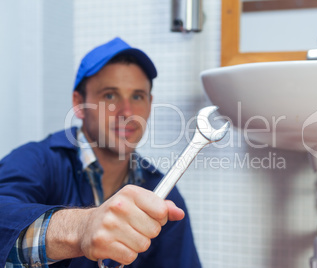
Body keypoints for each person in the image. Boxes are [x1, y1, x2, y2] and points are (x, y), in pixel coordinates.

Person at [0, 37, 202, 268]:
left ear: (149, 103)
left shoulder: (163, 196)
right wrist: (80, 227)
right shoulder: (36, 161)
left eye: (137, 96)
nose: (127, 112)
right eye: (110, 95)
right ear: (79, 103)